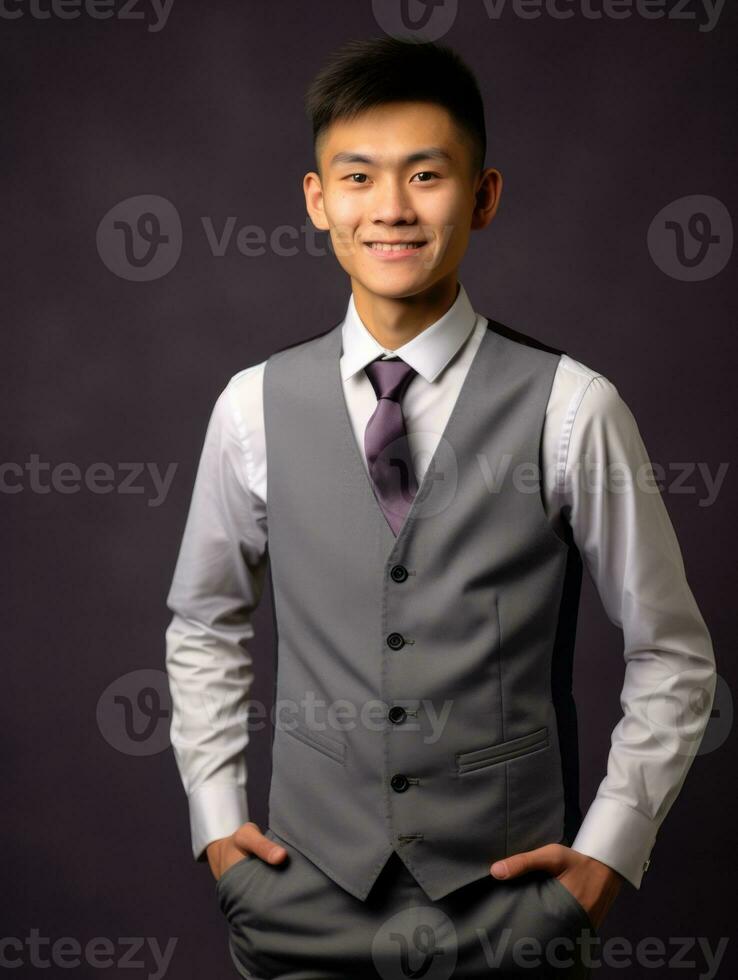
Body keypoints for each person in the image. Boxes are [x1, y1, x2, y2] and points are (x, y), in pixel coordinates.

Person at [164, 36, 716, 980]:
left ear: (485, 195)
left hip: (508, 912)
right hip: (301, 901)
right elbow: (204, 621)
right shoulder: (251, 405)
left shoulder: (574, 406)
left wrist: (607, 857)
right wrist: (218, 830)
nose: (391, 209)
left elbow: (673, 652)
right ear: (316, 202)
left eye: (426, 174)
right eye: (359, 177)